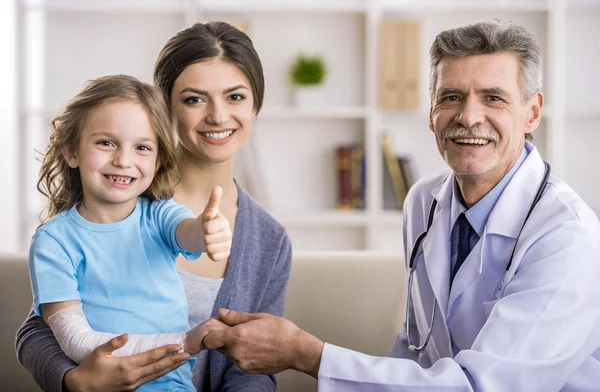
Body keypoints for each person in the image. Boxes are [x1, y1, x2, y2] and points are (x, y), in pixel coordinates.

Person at [202, 20, 600, 391]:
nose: (469, 116)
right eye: (451, 97)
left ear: (532, 112)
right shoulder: (423, 201)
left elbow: (482, 386)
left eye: (493, 98)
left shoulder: (565, 234)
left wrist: (307, 354)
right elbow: (417, 347)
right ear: (431, 112)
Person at [16, 21, 292, 392]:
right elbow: (39, 326)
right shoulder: (120, 194)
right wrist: (74, 381)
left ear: (256, 105)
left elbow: (253, 367)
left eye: (236, 97)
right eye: (194, 99)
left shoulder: (269, 240)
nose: (218, 116)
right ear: (164, 108)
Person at [28, 74, 233, 391]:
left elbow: (187, 232)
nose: (124, 160)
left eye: (142, 147)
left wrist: (207, 231)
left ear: (158, 159)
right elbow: (74, 339)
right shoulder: (53, 241)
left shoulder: (161, 215)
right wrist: (183, 342)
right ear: (71, 152)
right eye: (105, 143)